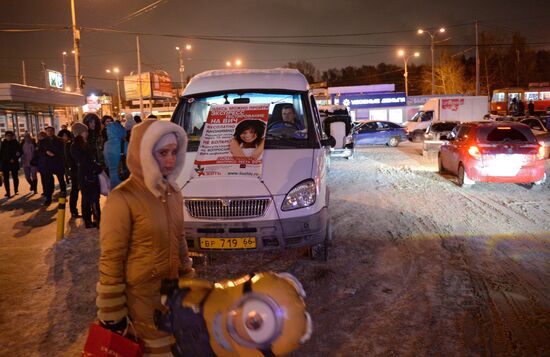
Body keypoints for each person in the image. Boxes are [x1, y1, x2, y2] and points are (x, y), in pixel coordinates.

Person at [96, 119, 194, 355]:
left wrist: (188, 279)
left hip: (170, 300)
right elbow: (112, 256)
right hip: (138, 302)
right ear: (144, 153)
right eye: (162, 153)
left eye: (174, 152)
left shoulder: (172, 192)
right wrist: (111, 310)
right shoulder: (123, 198)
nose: (171, 159)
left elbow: (179, 239)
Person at [70, 122, 101, 228]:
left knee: (92, 198)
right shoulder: (75, 146)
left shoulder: (85, 143)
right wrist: (97, 168)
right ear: (79, 133)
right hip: (85, 176)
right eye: (85, 131)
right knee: (87, 198)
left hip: (90, 174)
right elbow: (84, 162)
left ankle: (95, 219)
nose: (87, 133)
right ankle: (88, 220)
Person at [39, 126, 67, 206]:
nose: (50, 132)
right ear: (46, 132)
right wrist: (46, 152)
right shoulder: (43, 141)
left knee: (61, 180)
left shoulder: (59, 140)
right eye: (48, 131)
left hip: (58, 162)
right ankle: (48, 198)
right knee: (49, 182)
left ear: (54, 131)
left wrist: (56, 154)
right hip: (48, 164)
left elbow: (62, 151)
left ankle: (63, 196)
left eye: (51, 131)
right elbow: (40, 152)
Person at [103, 121, 128, 189]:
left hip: (112, 178)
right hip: (124, 176)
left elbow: (106, 163)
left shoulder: (106, 145)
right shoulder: (124, 143)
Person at [63, 129, 81, 218]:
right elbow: (69, 160)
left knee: (76, 191)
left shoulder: (78, 143)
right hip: (75, 171)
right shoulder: (70, 145)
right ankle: (73, 211)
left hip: (77, 170)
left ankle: (74, 210)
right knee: (75, 191)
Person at [0, 131, 22, 197]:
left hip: (13, 163)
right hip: (5, 163)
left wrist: (15, 158)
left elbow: (20, 152)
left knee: (15, 177)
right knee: (6, 179)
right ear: (5, 136)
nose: (9, 137)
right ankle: (8, 192)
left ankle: (16, 190)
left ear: (12, 136)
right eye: (7, 135)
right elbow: (1, 154)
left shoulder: (16, 143)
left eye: (10, 135)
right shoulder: (3, 143)